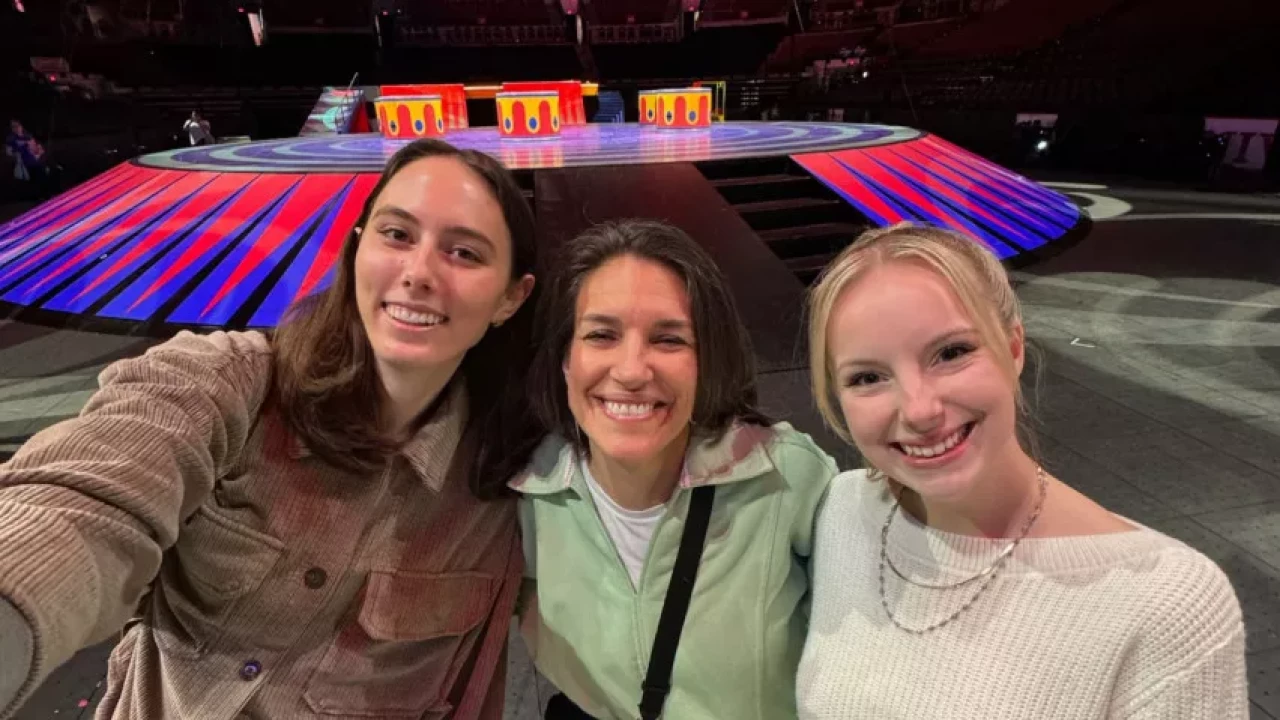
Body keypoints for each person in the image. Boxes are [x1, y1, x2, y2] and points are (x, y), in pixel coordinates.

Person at [0, 138, 540, 719]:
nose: (419, 273)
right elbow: (83, 502)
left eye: (464, 253)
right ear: (356, 248)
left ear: (511, 297)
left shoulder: (506, 478)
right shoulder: (228, 383)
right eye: (397, 234)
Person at [798, 223, 1247, 719]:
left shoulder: (1169, 603)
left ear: (1012, 349)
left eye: (951, 353)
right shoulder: (843, 510)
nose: (919, 409)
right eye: (868, 377)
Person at [513, 219, 837, 720]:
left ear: (707, 360)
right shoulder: (523, 496)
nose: (631, 371)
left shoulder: (786, 479)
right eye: (602, 335)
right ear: (564, 360)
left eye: (668, 340)